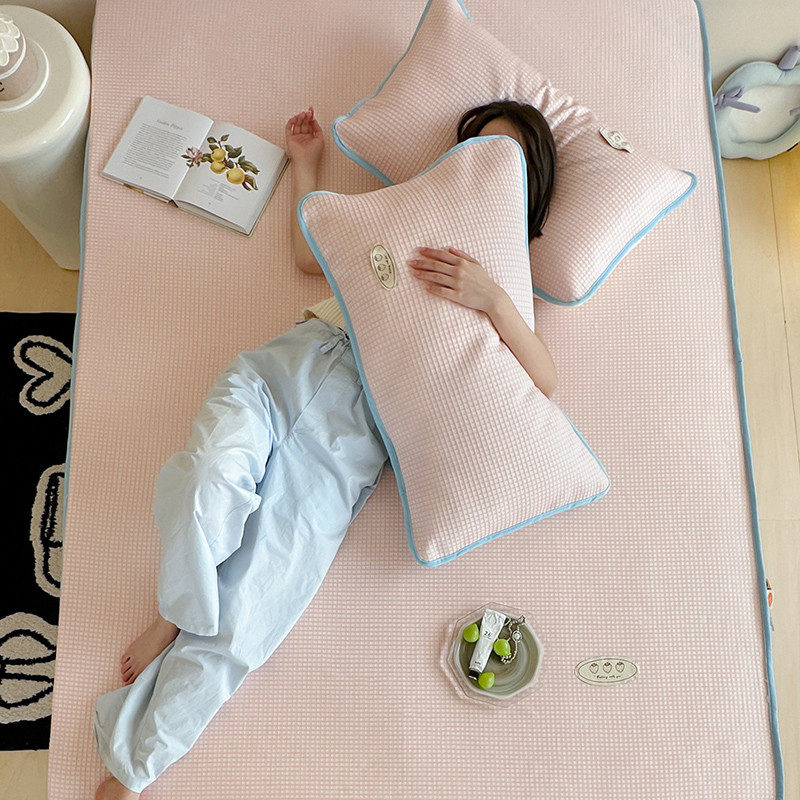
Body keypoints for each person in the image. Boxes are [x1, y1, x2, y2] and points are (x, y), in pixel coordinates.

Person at [93, 99, 557, 800]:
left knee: (254, 607)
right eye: (477, 149)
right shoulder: (410, 209)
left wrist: (490, 297)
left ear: (529, 187)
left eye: (506, 160)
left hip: (347, 445)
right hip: (280, 375)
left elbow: (542, 381)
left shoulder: (507, 273)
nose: (483, 168)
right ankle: (175, 615)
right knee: (207, 483)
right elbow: (313, 255)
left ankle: (131, 774)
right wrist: (307, 164)